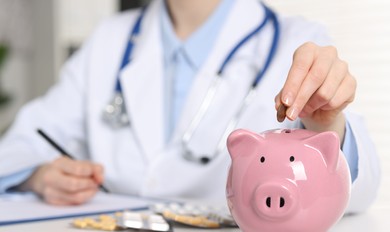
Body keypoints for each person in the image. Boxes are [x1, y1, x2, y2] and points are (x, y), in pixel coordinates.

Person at [0, 0, 380, 213]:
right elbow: (21, 144)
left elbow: (360, 190)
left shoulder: (294, 42)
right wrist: (37, 174)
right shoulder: (109, 41)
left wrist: (327, 125)